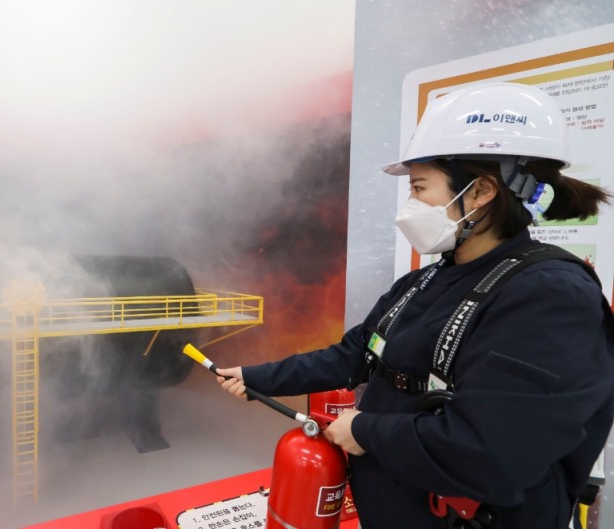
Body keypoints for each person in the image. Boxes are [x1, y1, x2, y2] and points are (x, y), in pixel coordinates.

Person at [215, 82, 614, 529]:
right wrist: (257, 377)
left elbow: (494, 453)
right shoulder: (426, 280)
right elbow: (356, 355)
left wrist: (364, 430)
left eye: (421, 187)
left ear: (480, 192)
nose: (410, 205)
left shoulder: (548, 297)